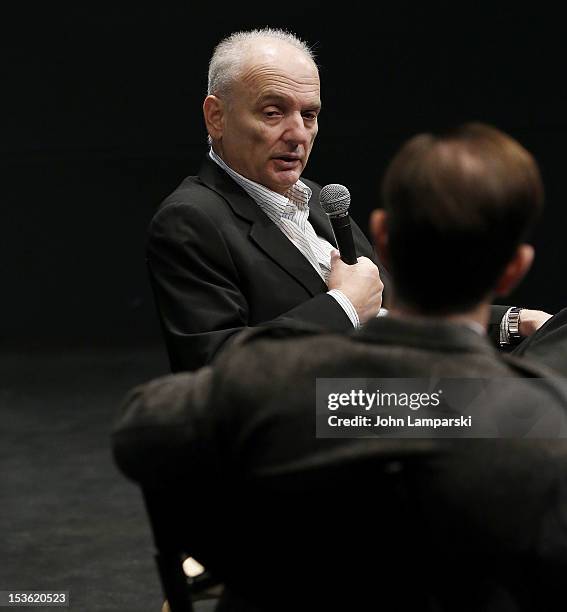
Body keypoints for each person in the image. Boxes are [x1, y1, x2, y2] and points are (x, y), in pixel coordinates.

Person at [116, 123, 567, 611]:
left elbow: (141, 432)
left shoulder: (264, 392)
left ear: (382, 241)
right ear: (515, 268)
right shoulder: (544, 426)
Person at [147, 28, 544, 372]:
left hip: (389, 390)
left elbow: (391, 308)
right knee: (525, 419)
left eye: (309, 114)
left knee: (555, 333)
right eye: (273, 113)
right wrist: (343, 306)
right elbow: (215, 369)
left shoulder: (320, 199)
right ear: (216, 116)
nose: (298, 134)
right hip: (325, 420)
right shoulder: (191, 219)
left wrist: (508, 323)